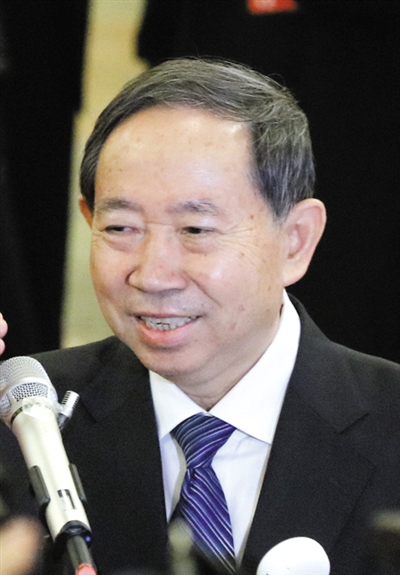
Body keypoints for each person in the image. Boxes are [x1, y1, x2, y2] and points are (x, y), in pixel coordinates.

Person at [0, 59, 400, 575]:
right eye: (120, 228)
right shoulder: (20, 424)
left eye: (195, 230)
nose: (152, 275)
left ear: (295, 240)